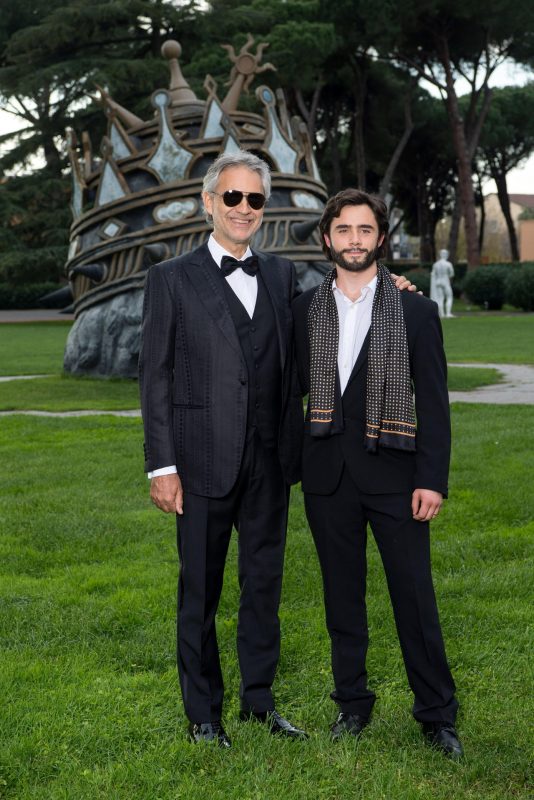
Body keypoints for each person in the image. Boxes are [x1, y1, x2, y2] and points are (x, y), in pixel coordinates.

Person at [139, 150, 307, 747]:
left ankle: (258, 702)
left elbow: (330, 320)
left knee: (264, 588)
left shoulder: (284, 277)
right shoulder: (169, 279)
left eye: (254, 199)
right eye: (231, 197)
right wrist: (163, 466)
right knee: (200, 593)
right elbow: (154, 377)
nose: (243, 209)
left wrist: (390, 291)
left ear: (264, 209)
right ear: (208, 203)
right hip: (200, 462)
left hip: (270, 463)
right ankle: (203, 715)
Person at [292, 189, 463, 758]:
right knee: (342, 599)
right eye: (344, 230)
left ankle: (437, 715)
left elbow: (434, 403)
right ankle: (351, 705)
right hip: (327, 478)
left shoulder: (414, 308)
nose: (355, 240)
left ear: (381, 239)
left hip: (396, 476)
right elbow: (288, 393)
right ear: (327, 238)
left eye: (365, 230)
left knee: (414, 596)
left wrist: (432, 479)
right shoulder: (304, 311)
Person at [430, 249, 455, 318]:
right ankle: (448, 313)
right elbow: (452, 274)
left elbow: (433, 274)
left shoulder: (436, 264)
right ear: (446, 255)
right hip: (445, 282)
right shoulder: (448, 264)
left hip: (438, 282)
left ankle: (442, 314)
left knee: (440, 298)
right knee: (449, 297)